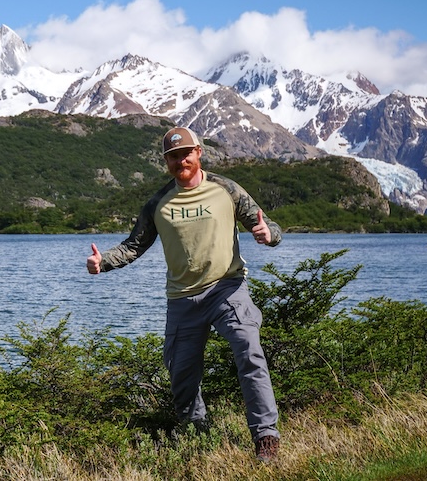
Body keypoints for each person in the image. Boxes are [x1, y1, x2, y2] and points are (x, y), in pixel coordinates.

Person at [85, 126, 282, 463]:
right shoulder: (158, 203)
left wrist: (268, 234)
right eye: (173, 156)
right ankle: (200, 436)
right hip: (182, 300)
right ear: (166, 161)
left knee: (250, 354)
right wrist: (103, 262)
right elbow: (134, 246)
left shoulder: (226, 190)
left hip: (228, 289)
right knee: (182, 377)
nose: (181, 161)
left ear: (198, 153)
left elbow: (266, 224)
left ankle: (266, 438)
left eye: (186, 153)